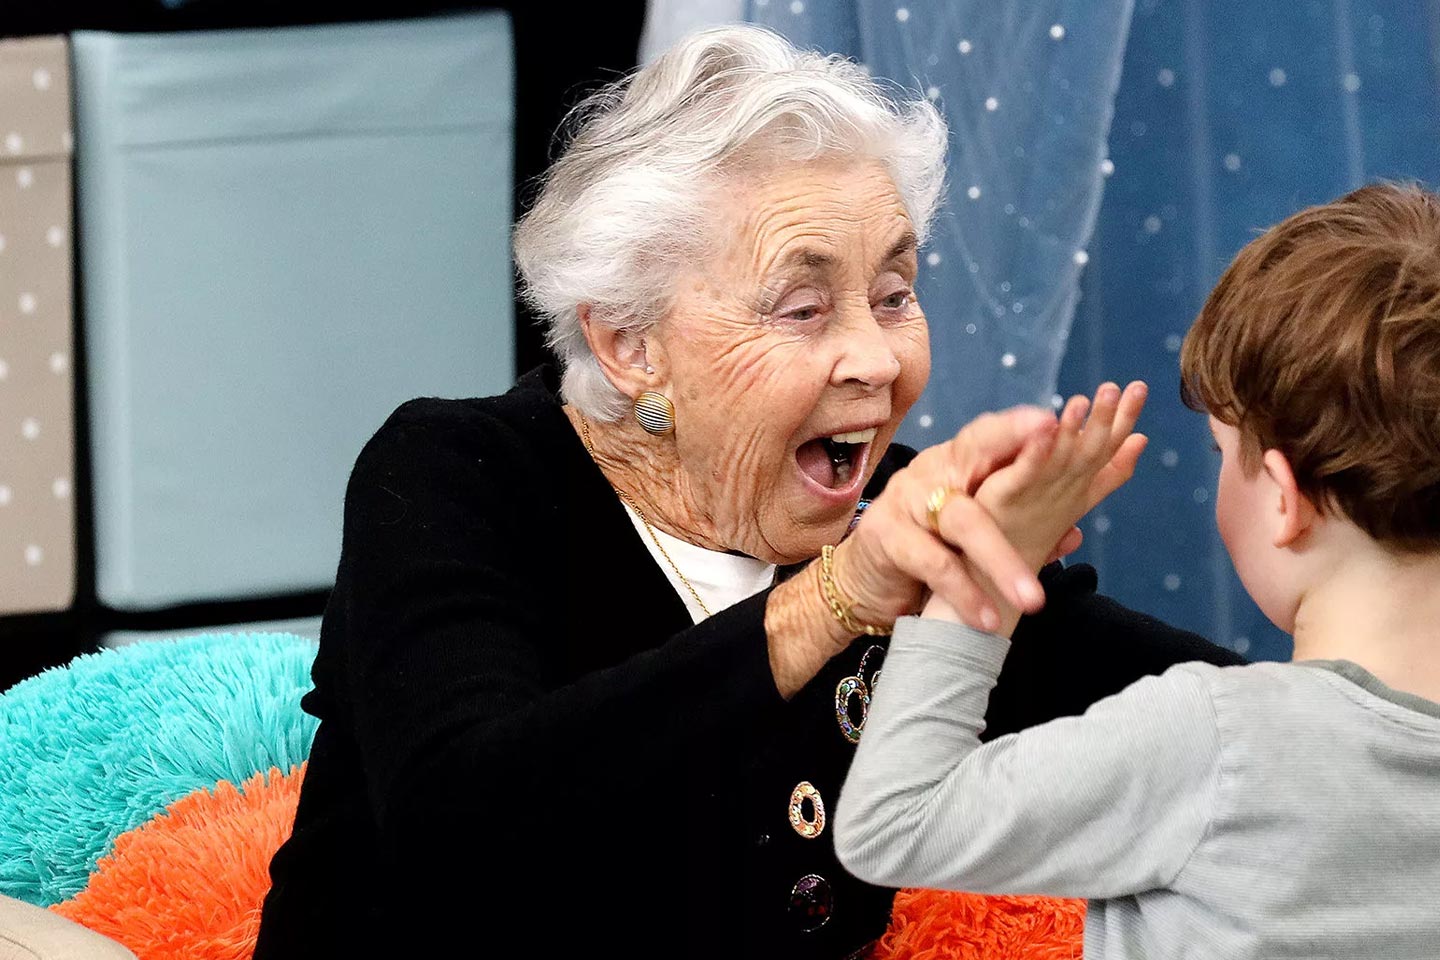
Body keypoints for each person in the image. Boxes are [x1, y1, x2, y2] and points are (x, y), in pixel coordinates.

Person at [253, 24, 1241, 959]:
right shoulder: (456, 473)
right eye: (803, 307)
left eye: (895, 296)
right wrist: (840, 595)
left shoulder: (895, 516)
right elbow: (470, 828)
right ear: (629, 344)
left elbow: (1217, 727)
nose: (873, 358)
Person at [834, 182, 1440, 958]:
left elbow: (893, 827)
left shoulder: (1218, 742)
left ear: (1284, 501)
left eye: (1224, 455)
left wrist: (988, 571)